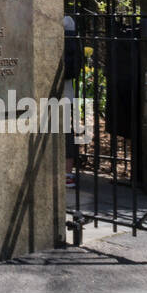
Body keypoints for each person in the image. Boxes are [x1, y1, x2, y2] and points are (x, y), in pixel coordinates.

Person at [62, 13, 85, 187]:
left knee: (60, 130)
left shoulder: (59, 21)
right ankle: (67, 173)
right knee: (66, 130)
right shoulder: (68, 21)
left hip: (56, 89)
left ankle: (66, 173)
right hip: (67, 88)